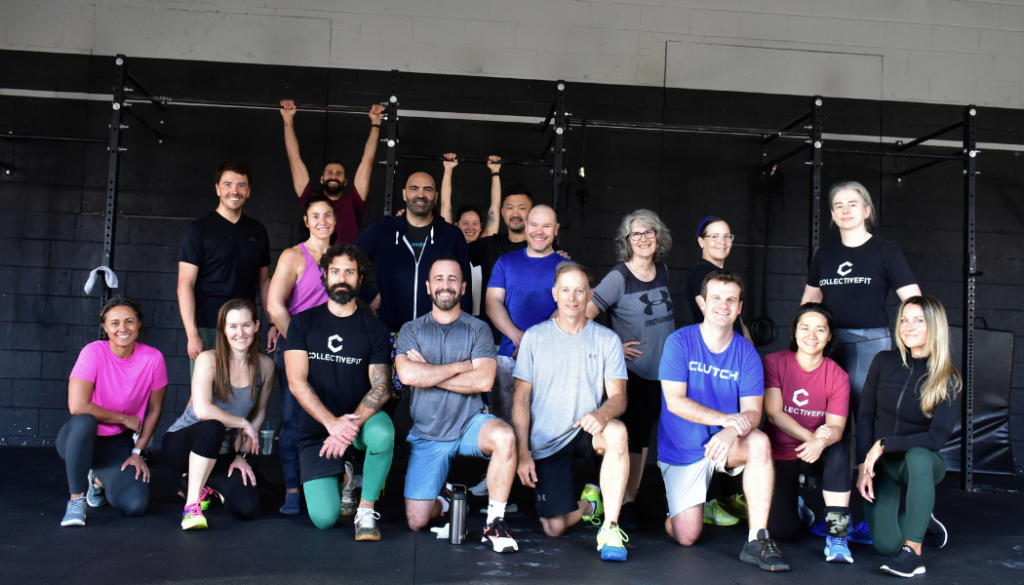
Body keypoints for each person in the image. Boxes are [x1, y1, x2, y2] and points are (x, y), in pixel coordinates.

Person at [802, 181, 922, 542]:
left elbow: (914, 302)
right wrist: (807, 347)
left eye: (853, 204)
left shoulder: (885, 251)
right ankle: (837, 519)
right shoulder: (824, 254)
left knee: (870, 426)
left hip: (872, 344)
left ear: (867, 210)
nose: (845, 210)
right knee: (833, 431)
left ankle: (876, 517)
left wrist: (911, 341)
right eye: (838, 205)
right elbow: (808, 305)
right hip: (831, 344)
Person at [658, 270, 789, 572]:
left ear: (740, 307)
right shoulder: (679, 343)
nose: (723, 305)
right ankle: (679, 510)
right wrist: (725, 421)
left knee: (758, 441)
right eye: (716, 298)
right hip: (683, 450)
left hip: (726, 444)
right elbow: (675, 402)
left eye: (731, 299)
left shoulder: (747, 354)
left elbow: (754, 414)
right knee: (686, 536)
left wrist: (729, 431)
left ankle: (757, 539)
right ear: (702, 303)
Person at [395, 256, 519, 553]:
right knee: (416, 520)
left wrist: (431, 375)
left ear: (463, 287)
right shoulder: (412, 329)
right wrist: (463, 366)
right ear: (428, 287)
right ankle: (445, 498)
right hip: (428, 434)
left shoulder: (478, 329)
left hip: (469, 424)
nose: (445, 285)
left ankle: (495, 522)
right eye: (438, 279)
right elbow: (407, 374)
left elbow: (484, 381)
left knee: (505, 436)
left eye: (452, 279)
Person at [513, 262, 631, 562]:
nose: (572, 297)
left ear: (590, 295)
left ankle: (611, 527)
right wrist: (523, 452)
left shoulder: (607, 340)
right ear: (555, 294)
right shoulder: (535, 338)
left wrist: (602, 416)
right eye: (566, 290)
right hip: (547, 440)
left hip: (586, 429)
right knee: (553, 528)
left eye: (580, 290)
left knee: (617, 432)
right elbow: (521, 399)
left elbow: (619, 398)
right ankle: (591, 505)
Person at [285, 245, 395, 539]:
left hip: (360, 423)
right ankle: (343, 475)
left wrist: (347, 427)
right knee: (325, 518)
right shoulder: (303, 323)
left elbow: (382, 388)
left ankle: (366, 510)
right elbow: (297, 382)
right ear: (324, 275)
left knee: (384, 432)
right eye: (335, 271)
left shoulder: (374, 328)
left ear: (360, 278)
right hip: (318, 430)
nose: (342, 278)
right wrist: (331, 424)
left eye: (350, 271)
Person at [857, 296, 960, 578]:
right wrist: (862, 468)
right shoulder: (883, 361)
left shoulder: (947, 378)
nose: (908, 327)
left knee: (917, 455)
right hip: (885, 465)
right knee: (886, 545)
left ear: (934, 327)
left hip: (923, 463)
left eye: (918, 320)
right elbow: (865, 416)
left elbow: (936, 439)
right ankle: (922, 518)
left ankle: (914, 552)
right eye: (904, 319)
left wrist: (885, 444)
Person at [586, 209, 675, 531]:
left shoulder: (662, 270)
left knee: (643, 435)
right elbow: (582, 316)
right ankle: (618, 503)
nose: (643, 238)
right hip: (632, 373)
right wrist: (613, 347)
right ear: (627, 241)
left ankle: (631, 499)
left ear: (658, 235)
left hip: (660, 372)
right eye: (636, 234)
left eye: (648, 232)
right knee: (630, 435)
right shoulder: (618, 277)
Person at [355, 172, 472, 402]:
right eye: (414, 188)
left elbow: (463, 287)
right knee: (391, 402)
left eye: (428, 189)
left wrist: (462, 332)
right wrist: (370, 295)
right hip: (392, 334)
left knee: (437, 400)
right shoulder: (383, 231)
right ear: (404, 194)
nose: (421, 194)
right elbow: (347, 263)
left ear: (436, 196)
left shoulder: (451, 235)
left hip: (440, 335)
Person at [162, 298, 275, 529]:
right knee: (213, 426)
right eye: (232, 326)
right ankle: (192, 506)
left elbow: (259, 413)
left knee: (247, 508)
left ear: (256, 325)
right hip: (182, 445)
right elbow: (202, 410)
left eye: (246, 325)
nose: (240, 332)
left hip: (221, 452)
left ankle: (200, 484)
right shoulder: (208, 359)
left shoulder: (266, 366)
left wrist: (241, 457)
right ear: (223, 330)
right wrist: (242, 423)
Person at [59, 297, 167, 527]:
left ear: (139, 325)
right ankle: (76, 500)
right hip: (79, 439)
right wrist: (123, 418)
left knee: (135, 505)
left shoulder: (153, 359)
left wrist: (137, 452)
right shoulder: (93, 352)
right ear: (105, 327)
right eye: (115, 323)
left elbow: (155, 409)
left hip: (117, 444)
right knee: (84, 421)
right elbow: (77, 406)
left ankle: (97, 480)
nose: (122, 328)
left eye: (129, 321)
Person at [764, 303, 853, 563]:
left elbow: (836, 427)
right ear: (794, 332)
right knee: (785, 532)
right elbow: (773, 413)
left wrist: (821, 442)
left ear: (829, 336)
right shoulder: (775, 362)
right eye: (805, 328)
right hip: (782, 452)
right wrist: (812, 437)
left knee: (837, 454)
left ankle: (837, 536)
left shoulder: (838, 376)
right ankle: (800, 510)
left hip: (818, 455)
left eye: (820, 330)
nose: (811, 336)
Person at [266, 192, 335, 515]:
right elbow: (274, 305)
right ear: (306, 221)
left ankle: (324, 485)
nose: (322, 222)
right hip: (297, 348)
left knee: (329, 417)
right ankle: (293, 488)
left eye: (328, 215)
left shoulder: (341, 257)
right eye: (315, 216)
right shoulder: (294, 256)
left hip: (333, 351)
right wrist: (298, 341)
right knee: (294, 418)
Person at [684, 216, 751, 527]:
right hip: (706, 360)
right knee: (712, 422)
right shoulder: (702, 274)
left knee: (732, 419)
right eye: (714, 236)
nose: (721, 242)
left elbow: (736, 323)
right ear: (701, 241)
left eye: (727, 236)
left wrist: (747, 346)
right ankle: (708, 500)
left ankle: (725, 496)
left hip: (729, 356)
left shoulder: (723, 276)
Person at [178, 162, 272, 370]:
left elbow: (264, 282)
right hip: (209, 326)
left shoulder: (257, 231)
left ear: (248, 191)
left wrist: (273, 323)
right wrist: (192, 335)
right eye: (228, 184)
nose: (234, 191)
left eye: (241, 185)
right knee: (204, 396)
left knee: (247, 393)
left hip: (246, 327)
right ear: (217, 188)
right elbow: (185, 284)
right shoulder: (199, 229)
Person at [485, 205, 565, 423]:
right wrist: (517, 336)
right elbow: (492, 303)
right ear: (526, 227)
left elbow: (568, 309)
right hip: (508, 359)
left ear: (556, 229)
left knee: (543, 435)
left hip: (550, 361)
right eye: (534, 225)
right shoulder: (506, 262)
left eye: (546, 226)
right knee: (503, 433)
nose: (539, 231)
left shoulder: (566, 267)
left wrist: (533, 344)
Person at [279, 100, 385, 245]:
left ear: (345, 181)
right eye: (329, 173)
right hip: (315, 264)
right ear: (322, 179)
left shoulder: (354, 201)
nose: (334, 176)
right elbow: (294, 159)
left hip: (344, 265)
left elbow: (368, 161)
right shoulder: (309, 198)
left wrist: (376, 123)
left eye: (338, 173)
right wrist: (288, 119)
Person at [469, 183, 534, 340]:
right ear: (502, 212)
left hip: (529, 342)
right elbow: (450, 249)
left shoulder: (544, 248)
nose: (515, 213)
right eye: (510, 207)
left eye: (522, 208)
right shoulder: (489, 245)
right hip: (488, 343)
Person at [439, 153, 502, 243]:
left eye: (475, 223)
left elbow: (496, 205)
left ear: (480, 227)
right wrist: (448, 169)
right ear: (456, 225)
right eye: (465, 223)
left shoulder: (484, 245)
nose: (470, 228)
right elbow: (445, 204)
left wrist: (495, 171)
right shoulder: (450, 243)